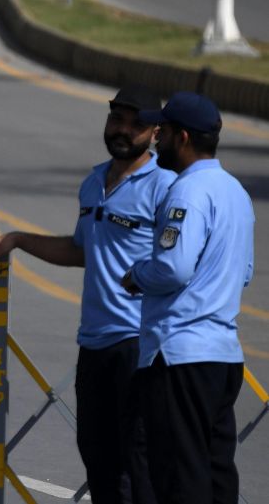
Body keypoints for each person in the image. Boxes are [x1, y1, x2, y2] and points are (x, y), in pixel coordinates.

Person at [0, 85, 172, 504]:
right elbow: (82, 250)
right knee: (98, 460)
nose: (123, 130)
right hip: (94, 342)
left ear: (156, 132)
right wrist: (17, 239)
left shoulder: (165, 187)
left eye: (136, 124)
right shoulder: (94, 181)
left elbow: (178, 264)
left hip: (141, 344)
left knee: (139, 467)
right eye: (116, 119)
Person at [121, 92, 254, 504]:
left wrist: (137, 275)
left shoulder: (186, 192)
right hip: (223, 356)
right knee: (216, 474)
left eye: (162, 131)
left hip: (180, 356)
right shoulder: (235, 192)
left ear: (182, 137)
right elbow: (244, 272)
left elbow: (173, 268)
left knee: (179, 478)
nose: (155, 138)